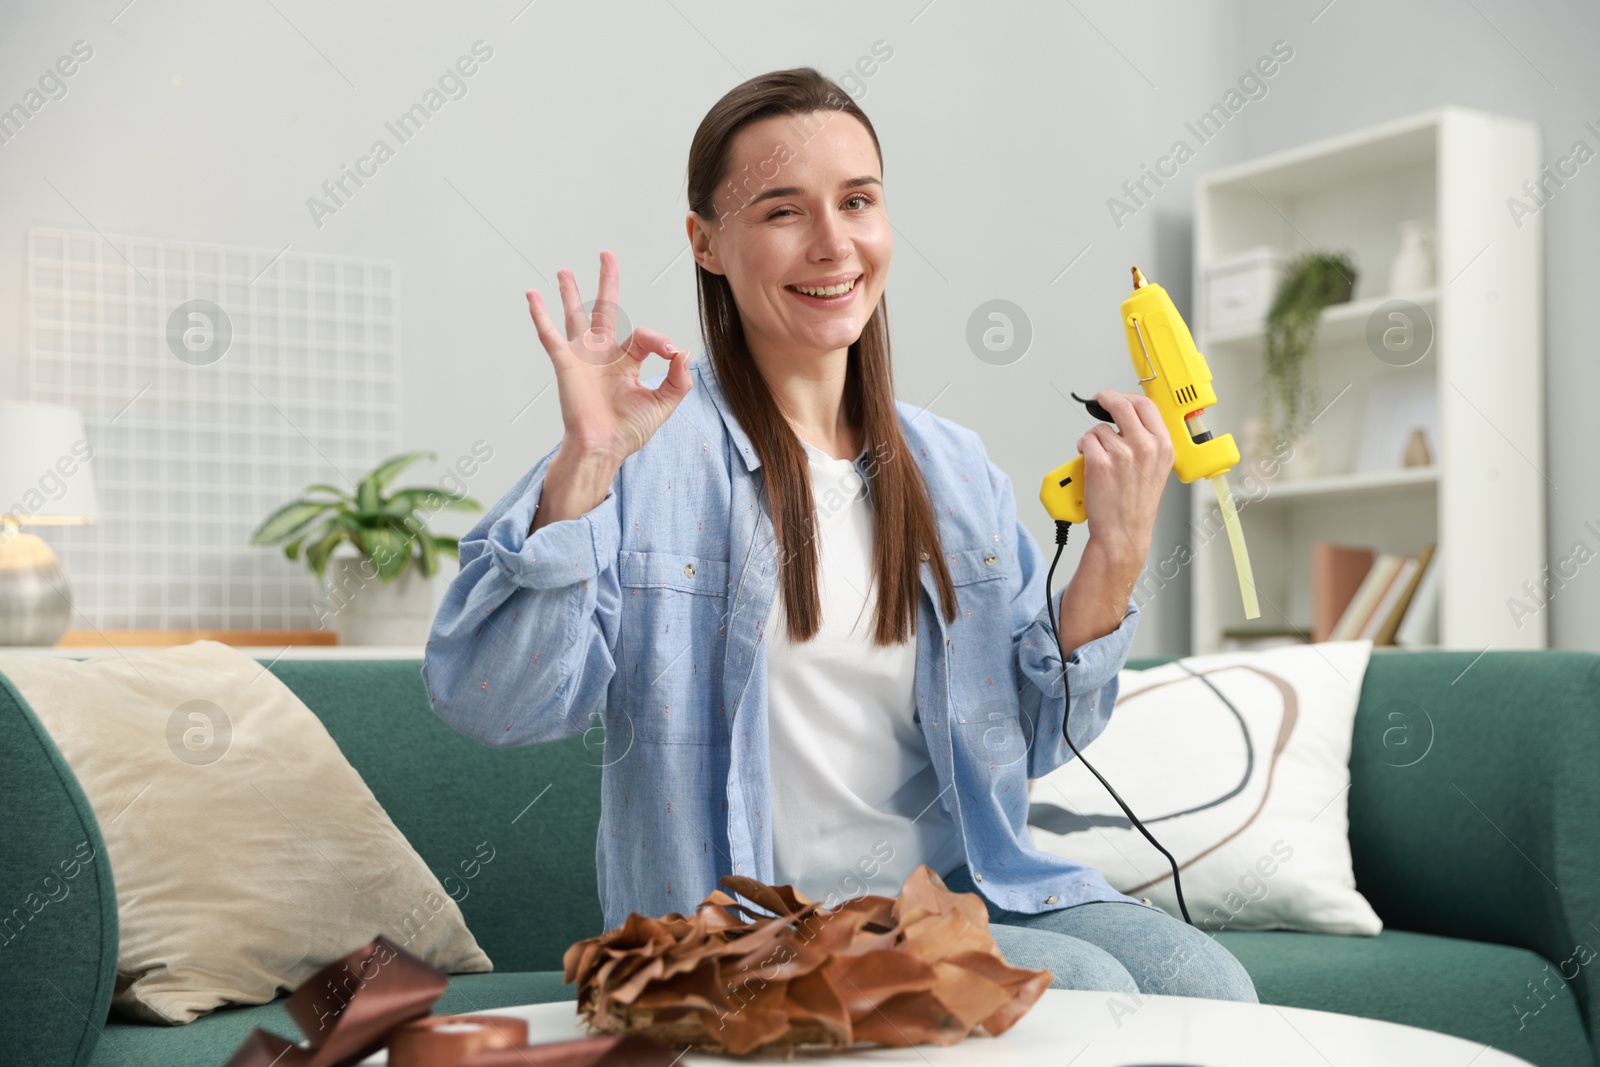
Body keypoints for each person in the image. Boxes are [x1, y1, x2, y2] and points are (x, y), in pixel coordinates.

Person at [424, 66, 1257, 1004]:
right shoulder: (636, 451)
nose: (833, 244)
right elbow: (494, 703)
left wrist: (1117, 550)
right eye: (783, 211)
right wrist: (583, 467)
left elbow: (1028, 741)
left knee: (1207, 983)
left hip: (959, 899)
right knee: (1080, 989)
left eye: (857, 200)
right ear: (706, 243)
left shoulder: (954, 469)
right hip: (743, 933)